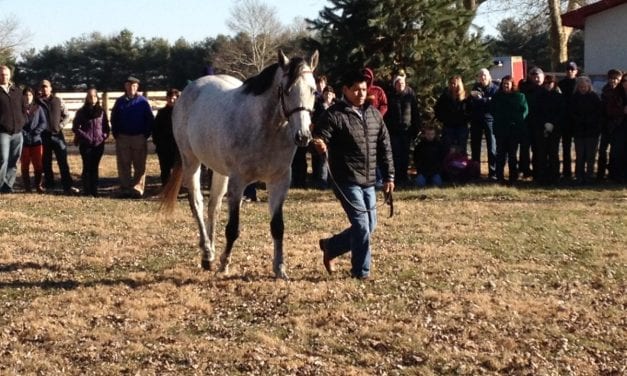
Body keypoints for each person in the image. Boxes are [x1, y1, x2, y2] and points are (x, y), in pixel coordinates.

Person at [312, 69, 395, 280]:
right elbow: (320, 135)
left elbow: (385, 146)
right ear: (345, 90)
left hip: (369, 180)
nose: (360, 93)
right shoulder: (334, 114)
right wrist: (320, 143)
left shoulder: (374, 114)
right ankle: (361, 272)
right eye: (356, 89)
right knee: (361, 225)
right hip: (345, 179)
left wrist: (389, 177)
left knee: (370, 225)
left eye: (364, 89)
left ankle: (331, 246)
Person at [111, 76, 154, 198]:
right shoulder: (120, 102)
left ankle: (137, 188)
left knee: (140, 164)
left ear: (137, 87)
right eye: (129, 86)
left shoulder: (143, 102)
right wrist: (116, 133)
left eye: (134, 86)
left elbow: (149, 119)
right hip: (123, 137)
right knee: (124, 164)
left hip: (139, 137)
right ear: (125, 86)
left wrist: (145, 134)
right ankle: (125, 187)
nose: (131, 88)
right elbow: (114, 118)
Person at [37, 79, 79, 194]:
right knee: (46, 162)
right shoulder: (37, 102)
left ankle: (67, 185)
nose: (44, 89)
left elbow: (67, 115)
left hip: (57, 135)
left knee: (63, 161)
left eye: (46, 86)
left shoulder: (58, 100)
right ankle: (50, 185)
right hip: (43, 136)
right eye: (42, 87)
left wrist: (61, 125)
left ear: (51, 88)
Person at [72, 88, 110, 197]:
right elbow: (75, 127)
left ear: (97, 98)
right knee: (87, 166)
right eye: (90, 96)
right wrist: (86, 137)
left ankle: (95, 190)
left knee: (95, 167)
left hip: (98, 144)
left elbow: (106, 128)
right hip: (86, 144)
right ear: (87, 98)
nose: (92, 98)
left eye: (94, 96)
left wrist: (103, 137)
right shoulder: (81, 112)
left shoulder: (101, 112)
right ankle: (87, 190)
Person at [491, 75, 529, 184]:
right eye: (504, 84)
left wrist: (517, 120)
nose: (506, 86)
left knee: (512, 155)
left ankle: (513, 177)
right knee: (500, 155)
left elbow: (525, 111)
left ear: (512, 84)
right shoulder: (497, 97)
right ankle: (499, 176)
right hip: (500, 130)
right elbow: (493, 110)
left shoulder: (519, 96)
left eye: (508, 83)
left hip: (514, 130)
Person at [384, 73, 420, 185]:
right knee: (395, 154)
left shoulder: (410, 95)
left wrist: (416, 128)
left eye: (402, 83)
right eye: (398, 83)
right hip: (394, 131)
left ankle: (404, 176)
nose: (401, 85)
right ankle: (395, 178)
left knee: (405, 155)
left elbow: (415, 112)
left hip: (407, 131)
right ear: (395, 85)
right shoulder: (390, 96)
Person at [535, 75, 565, 185]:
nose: (548, 85)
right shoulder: (539, 96)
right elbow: (536, 112)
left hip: (555, 129)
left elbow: (561, 113)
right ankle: (542, 177)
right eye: (546, 83)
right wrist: (544, 124)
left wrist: (553, 125)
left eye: (550, 83)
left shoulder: (559, 97)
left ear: (554, 84)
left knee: (553, 153)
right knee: (541, 154)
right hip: (541, 128)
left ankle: (554, 176)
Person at [571, 76, 602, 185]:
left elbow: (599, 113)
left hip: (592, 131)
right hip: (579, 131)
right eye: (580, 87)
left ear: (589, 86)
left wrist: (592, 122)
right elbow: (571, 113)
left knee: (590, 155)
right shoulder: (574, 98)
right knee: (580, 155)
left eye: (585, 86)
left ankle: (589, 175)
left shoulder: (595, 97)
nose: (583, 89)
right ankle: (579, 176)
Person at [469, 68, 498, 180]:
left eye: (485, 75)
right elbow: (472, 103)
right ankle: (476, 173)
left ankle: (493, 173)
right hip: (476, 120)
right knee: (475, 147)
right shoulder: (475, 88)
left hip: (489, 120)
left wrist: (481, 100)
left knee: (492, 147)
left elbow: (493, 104)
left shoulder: (494, 89)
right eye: (480, 75)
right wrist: (484, 100)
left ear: (489, 76)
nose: (483, 77)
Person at [0, 65, 25, 193]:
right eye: (2, 74)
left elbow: (23, 109)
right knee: (3, 159)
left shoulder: (17, 91)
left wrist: (22, 121)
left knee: (14, 160)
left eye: (6, 74)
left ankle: (8, 186)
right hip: (2, 132)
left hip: (17, 132)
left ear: (10, 75)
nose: (4, 76)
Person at [519, 67, 545, 180]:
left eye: (538, 76)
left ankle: (537, 171)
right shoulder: (524, 88)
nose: (536, 78)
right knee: (524, 148)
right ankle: (525, 170)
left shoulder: (544, 89)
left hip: (539, 123)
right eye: (534, 76)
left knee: (537, 148)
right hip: (526, 123)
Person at [434, 75, 471, 154]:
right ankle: (448, 166)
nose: (453, 85)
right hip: (448, 127)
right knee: (447, 150)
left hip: (462, 127)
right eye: (451, 83)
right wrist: (443, 119)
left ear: (459, 84)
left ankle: (462, 165)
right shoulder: (445, 96)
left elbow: (470, 110)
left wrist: (466, 119)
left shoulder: (466, 96)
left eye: (455, 83)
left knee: (461, 149)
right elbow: (437, 109)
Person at [21, 87, 47, 193]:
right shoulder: (20, 109)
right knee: (25, 164)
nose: (28, 97)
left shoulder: (38, 108)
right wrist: (24, 133)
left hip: (36, 140)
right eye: (26, 95)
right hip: (24, 141)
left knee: (38, 164)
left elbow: (43, 122)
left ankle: (38, 185)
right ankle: (27, 187)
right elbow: (18, 123)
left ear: (33, 96)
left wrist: (36, 131)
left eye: (30, 95)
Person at [310, 85, 336, 189]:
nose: (328, 96)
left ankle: (333, 182)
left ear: (333, 95)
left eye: (329, 94)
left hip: (335, 136)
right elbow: (315, 121)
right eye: (326, 94)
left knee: (334, 160)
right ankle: (323, 182)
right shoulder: (319, 107)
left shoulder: (337, 106)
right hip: (323, 136)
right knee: (324, 160)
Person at [598, 69, 622, 180]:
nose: (613, 81)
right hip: (605, 125)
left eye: (616, 79)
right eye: (611, 78)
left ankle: (613, 174)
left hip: (618, 126)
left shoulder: (622, 93)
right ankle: (600, 174)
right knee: (602, 151)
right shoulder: (604, 92)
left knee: (615, 152)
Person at [153, 88, 180, 186]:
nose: (172, 100)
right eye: (170, 98)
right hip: (164, 146)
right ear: (167, 99)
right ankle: (165, 186)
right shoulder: (161, 113)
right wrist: (158, 143)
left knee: (178, 168)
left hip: (178, 146)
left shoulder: (182, 113)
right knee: (165, 168)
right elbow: (155, 129)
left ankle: (178, 187)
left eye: (174, 98)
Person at [558, 61, 579, 180]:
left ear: (576, 71)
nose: (570, 71)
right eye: (568, 69)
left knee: (579, 149)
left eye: (572, 69)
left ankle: (578, 172)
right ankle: (566, 172)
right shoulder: (561, 84)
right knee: (566, 148)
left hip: (576, 120)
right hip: (565, 120)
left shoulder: (579, 83)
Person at [607, 73, 627, 182]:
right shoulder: (616, 94)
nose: (626, 83)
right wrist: (622, 111)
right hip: (619, 126)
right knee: (618, 151)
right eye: (624, 81)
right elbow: (609, 110)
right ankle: (618, 176)